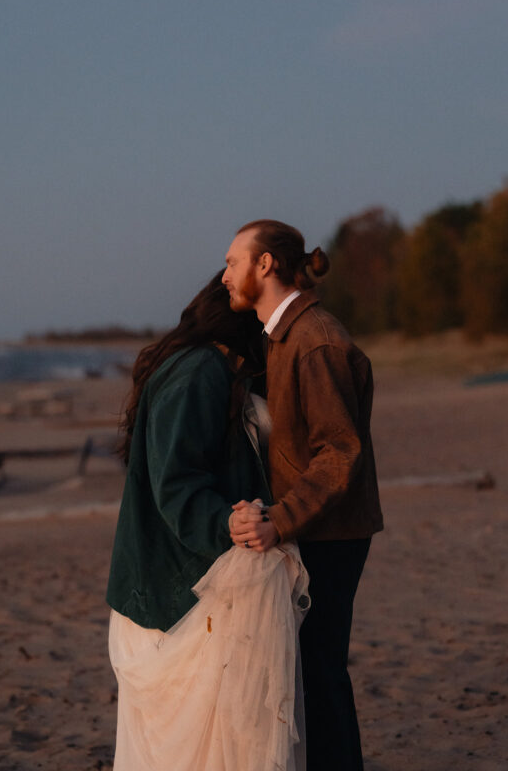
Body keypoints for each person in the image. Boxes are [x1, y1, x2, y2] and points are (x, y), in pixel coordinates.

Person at [106, 271, 310, 771]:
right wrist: (227, 523)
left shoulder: (212, 369)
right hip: (179, 596)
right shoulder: (199, 370)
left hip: (182, 587)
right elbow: (175, 482)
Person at [223, 220, 384, 771]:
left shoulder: (316, 341)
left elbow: (341, 451)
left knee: (320, 673)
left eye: (232, 262)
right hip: (316, 526)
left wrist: (281, 519)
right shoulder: (286, 335)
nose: (225, 276)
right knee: (311, 672)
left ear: (263, 265)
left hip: (330, 533)